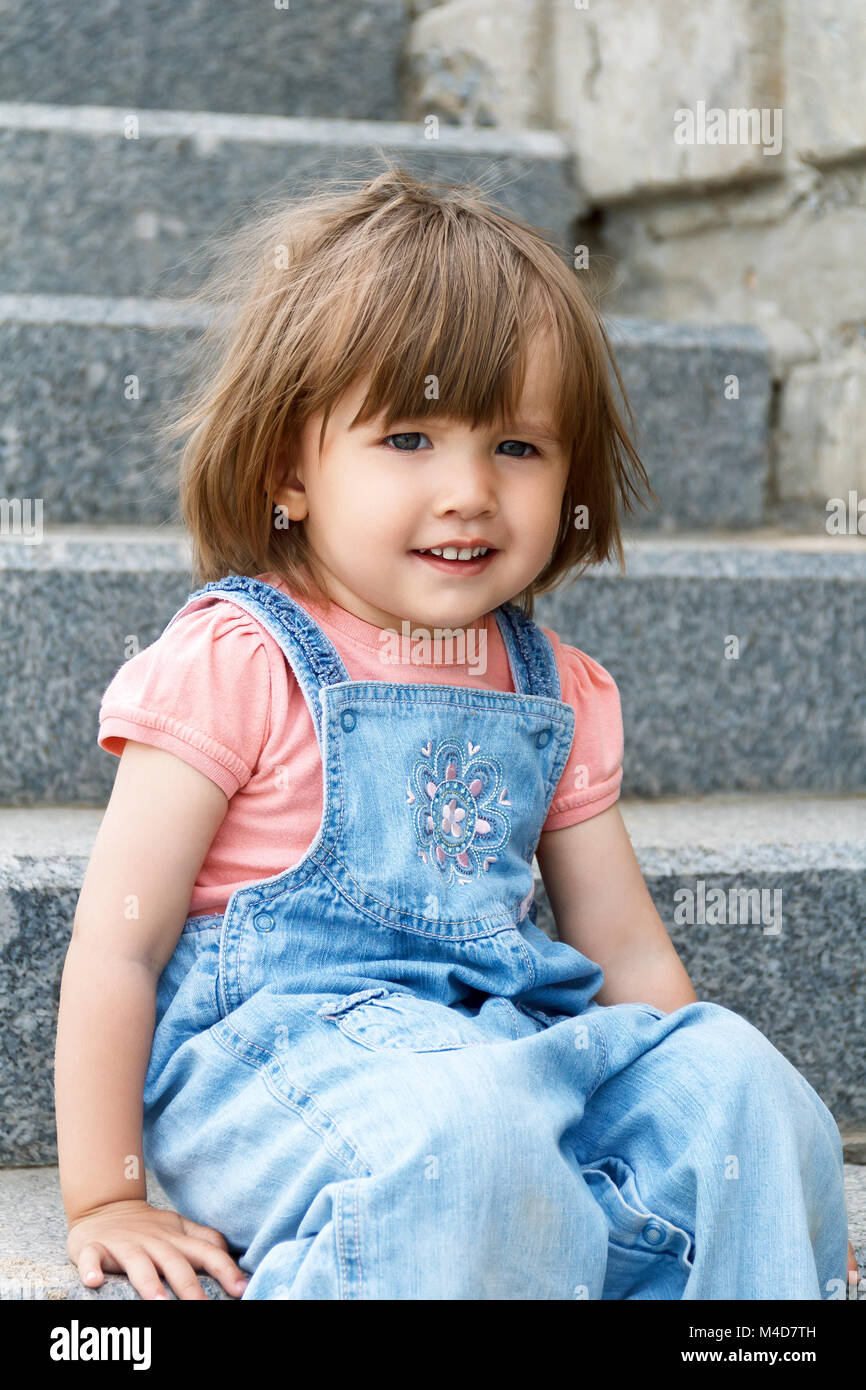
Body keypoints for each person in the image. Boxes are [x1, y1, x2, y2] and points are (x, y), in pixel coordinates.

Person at [55, 164, 855, 1300]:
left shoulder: (554, 685)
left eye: (517, 448)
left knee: (742, 1082)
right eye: (411, 438)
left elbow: (625, 953)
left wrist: (745, 1169)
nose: (470, 489)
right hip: (279, 1064)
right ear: (291, 466)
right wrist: (107, 1192)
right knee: (465, 1128)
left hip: (497, 1050)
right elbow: (117, 944)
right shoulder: (237, 660)